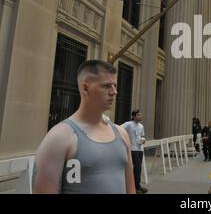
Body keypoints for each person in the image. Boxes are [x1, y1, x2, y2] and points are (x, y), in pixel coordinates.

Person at [33, 60, 135, 194]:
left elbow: (130, 188)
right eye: (106, 86)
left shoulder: (122, 134)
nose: (114, 92)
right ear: (85, 88)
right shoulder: (60, 137)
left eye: (115, 85)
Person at [122, 110, 147, 194]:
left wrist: (143, 140)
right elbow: (119, 129)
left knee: (138, 168)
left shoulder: (141, 126)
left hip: (139, 149)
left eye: (141, 115)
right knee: (137, 168)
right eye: (138, 115)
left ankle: (137, 185)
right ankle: (134, 187)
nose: (140, 117)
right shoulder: (128, 124)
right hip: (132, 149)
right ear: (133, 116)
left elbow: (142, 135)